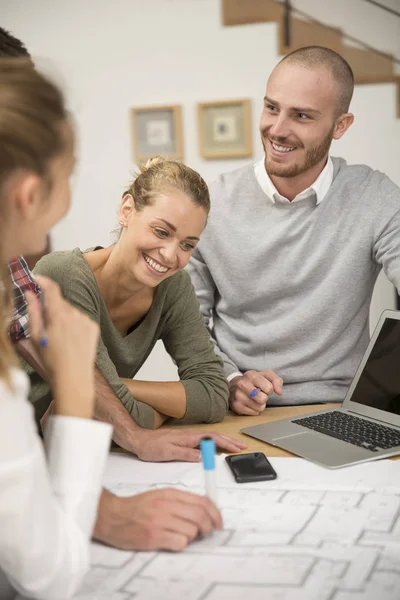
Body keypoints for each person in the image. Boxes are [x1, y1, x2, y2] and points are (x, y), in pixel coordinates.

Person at [0, 59, 245, 600]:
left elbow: (207, 394)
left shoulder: (14, 283)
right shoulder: (57, 276)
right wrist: (87, 388)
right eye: (69, 176)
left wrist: (110, 393)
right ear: (29, 193)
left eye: (188, 244)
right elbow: (51, 573)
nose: (172, 255)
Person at [187, 45, 400, 417]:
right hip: (238, 408)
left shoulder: (374, 195)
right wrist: (230, 380)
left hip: (344, 409)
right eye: (272, 108)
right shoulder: (210, 203)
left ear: (340, 125)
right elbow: (187, 324)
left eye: (301, 115)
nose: (277, 129)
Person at [26, 157, 230, 434]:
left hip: (99, 453)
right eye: (161, 231)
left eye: (186, 245)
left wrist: (117, 387)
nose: (170, 255)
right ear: (127, 210)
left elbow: (214, 396)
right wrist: (165, 409)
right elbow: (110, 416)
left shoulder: (173, 286)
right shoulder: (64, 275)